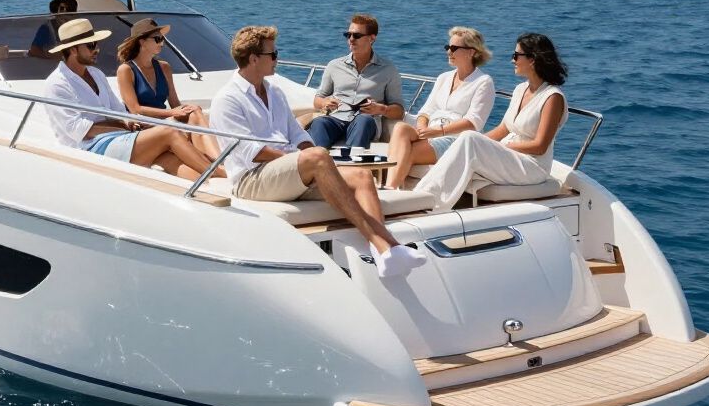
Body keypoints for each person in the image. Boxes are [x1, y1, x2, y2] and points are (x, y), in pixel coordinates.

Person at [209, 25, 425, 278]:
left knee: (361, 176)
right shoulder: (228, 99)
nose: (277, 59)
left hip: (288, 173)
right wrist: (306, 160)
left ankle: (386, 253)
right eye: (273, 54)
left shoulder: (274, 91)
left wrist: (312, 160)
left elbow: (297, 134)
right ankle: (384, 246)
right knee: (318, 156)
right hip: (252, 179)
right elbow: (252, 152)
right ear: (254, 58)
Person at [42, 17, 222, 180]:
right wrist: (126, 124)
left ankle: (212, 185)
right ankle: (217, 172)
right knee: (169, 132)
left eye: (96, 44)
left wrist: (132, 123)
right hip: (89, 148)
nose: (97, 49)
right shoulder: (57, 84)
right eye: (91, 45)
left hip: (118, 138)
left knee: (167, 155)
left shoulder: (96, 74)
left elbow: (119, 111)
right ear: (73, 50)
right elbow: (79, 130)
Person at [415, 32, 569, 210]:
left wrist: (500, 147)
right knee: (468, 138)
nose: (512, 60)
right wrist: (470, 142)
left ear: (532, 59)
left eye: (516, 56)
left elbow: (540, 146)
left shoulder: (552, 97)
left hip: (532, 166)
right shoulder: (520, 89)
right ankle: (425, 197)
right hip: (511, 157)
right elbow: (503, 129)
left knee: (470, 139)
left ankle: (427, 202)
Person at [386, 27, 496, 189]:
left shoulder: (483, 82)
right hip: (431, 133)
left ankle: (390, 189)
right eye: (448, 47)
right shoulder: (443, 78)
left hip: (456, 141)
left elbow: (474, 122)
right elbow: (426, 111)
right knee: (400, 128)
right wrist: (423, 129)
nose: (449, 52)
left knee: (407, 150)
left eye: (454, 48)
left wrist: (438, 132)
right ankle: (392, 189)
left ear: (471, 52)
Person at [116, 18, 223, 161]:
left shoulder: (164, 67)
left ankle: (216, 159)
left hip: (165, 120)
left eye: (163, 39)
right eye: (157, 39)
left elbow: (174, 103)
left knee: (195, 111)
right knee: (193, 117)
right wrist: (172, 113)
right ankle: (215, 160)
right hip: (144, 126)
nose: (162, 43)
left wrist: (186, 109)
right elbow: (135, 109)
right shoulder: (126, 70)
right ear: (142, 42)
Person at [308, 14, 404, 151]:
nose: (351, 39)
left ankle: (353, 161)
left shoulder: (388, 69)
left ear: (372, 38)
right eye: (348, 35)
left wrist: (381, 109)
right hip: (336, 118)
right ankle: (317, 159)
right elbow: (318, 99)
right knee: (319, 123)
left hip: (365, 121)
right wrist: (324, 103)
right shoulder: (334, 65)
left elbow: (399, 111)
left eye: (357, 36)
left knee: (363, 120)